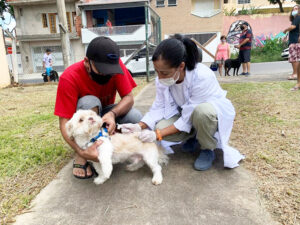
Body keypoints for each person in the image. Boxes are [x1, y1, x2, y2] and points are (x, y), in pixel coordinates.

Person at [118, 34, 244, 171]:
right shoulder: (163, 79)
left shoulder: (202, 76)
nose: (160, 77)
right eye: (157, 71)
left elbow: (188, 118)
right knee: (159, 126)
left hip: (208, 115)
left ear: (181, 66)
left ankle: (207, 148)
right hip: (185, 113)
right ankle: (193, 136)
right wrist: (139, 126)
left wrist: (157, 135)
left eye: (164, 73)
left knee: (202, 113)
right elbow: (158, 107)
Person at [54, 36, 143, 179]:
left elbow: (129, 98)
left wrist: (113, 114)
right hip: (87, 118)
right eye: (101, 70)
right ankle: (84, 152)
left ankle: (106, 144)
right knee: (90, 101)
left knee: (136, 117)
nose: (106, 74)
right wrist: (81, 151)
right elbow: (64, 123)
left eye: (110, 71)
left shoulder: (116, 65)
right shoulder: (69, 77)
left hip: (106, 113)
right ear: (87, 62)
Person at [283, 5, 300, 83]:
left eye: (296, 9)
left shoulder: (297, 17)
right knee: (294, 59)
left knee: (294, 59)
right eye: (293, 9)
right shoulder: (296, 19)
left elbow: (292, 27)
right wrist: (286, 35)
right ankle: (295, 73)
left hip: (295, 42)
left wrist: (285, 30)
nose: (294, 10)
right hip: (294, 41)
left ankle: (295, 74)